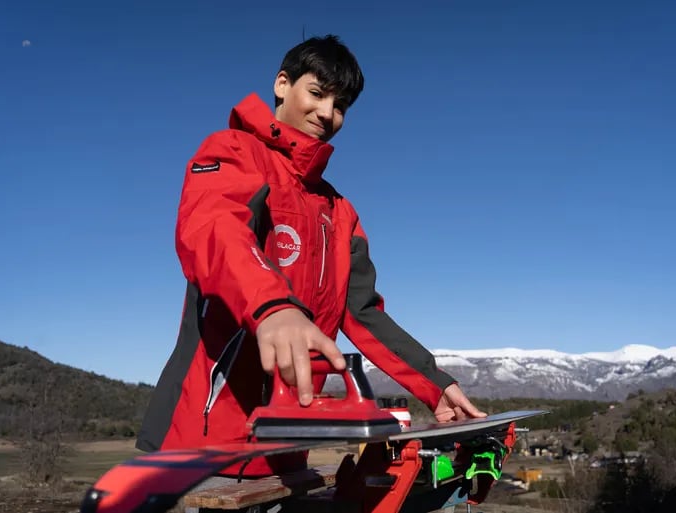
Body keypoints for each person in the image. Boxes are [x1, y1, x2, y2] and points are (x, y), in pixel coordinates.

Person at [136, 34, 485, 482]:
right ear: (282, 84)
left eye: (340, 106)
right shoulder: (232, 151)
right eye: (317, 94)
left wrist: (434, 386)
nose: (327, 114)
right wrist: (272, 306)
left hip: (286, 451)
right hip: (200, 449)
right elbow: (212, 230)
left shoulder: (338, 212)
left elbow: (361, 314)